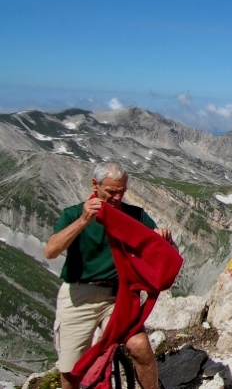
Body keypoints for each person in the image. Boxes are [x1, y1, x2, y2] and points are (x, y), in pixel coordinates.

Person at [44, 161, 175, 389]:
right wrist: (83, 221)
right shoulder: (74, 214)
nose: (117, 197)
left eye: (122, 192)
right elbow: (51, 250)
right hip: (78, 295)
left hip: (118, 297)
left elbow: (160, 250)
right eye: (111, 191)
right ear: (95, 185)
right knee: (70, 369)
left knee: (140, 346)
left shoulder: (135, 215)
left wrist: (165, 239)